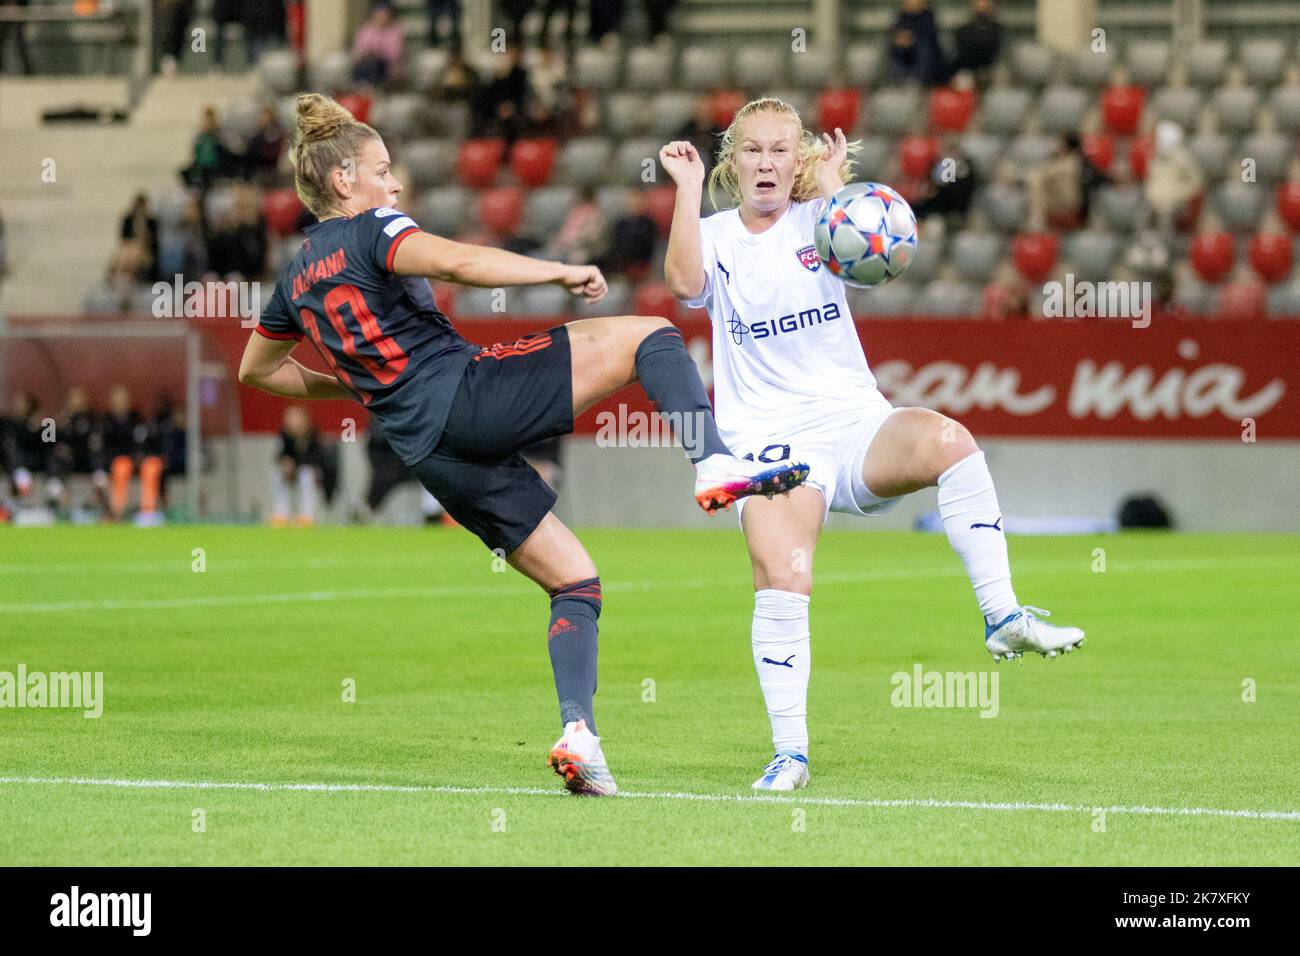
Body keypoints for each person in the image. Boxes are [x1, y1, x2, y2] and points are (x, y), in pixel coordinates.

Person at [237, 93, 809, 796]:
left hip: (432, 456)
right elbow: (455, 261)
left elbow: (256, 371)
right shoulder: (371, 227)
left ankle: (580, 738)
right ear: (342, 182)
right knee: (651, 337)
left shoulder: (293, 277)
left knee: (575, 582)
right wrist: (556, 273)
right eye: (381, 170)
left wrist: (362, 385)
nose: (394, 183)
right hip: (468, 398)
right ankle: (712, 460)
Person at [659, 97, 1085, 793]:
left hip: (855, 424)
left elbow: (880, 258)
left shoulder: (823, 220)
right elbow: (682, 286)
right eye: (752, 150)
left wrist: (832, 187)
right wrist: (682, 191)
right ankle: (790, 754)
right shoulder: (715, 235)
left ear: (797, 159)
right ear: (732, 161)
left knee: (951, 440)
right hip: (770, 444)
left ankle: (1003, 615)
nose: (766, 161)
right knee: (786, 576)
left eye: (780, 150)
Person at [887, 0, 945, 86]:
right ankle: (901, 82)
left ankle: (916, 81)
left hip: (929, 71)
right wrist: (902, 41)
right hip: (904, 65)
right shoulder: (900, 20)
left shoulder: (928, 19)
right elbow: (898, 42)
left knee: (923, 47)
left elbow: (932, 48)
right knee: (896, 47)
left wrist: (912, 39)